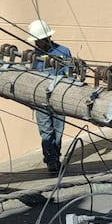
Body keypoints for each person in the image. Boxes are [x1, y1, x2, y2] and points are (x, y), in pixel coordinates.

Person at [27, 19, 72, 173]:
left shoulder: (63, 52)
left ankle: (55, 156)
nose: (36, 44)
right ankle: (51, 161)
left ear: (46, 39)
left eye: (38, 41)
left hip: (58, 97)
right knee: (46, 130)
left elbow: (69, 74)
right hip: (40, 99)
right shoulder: (32, 56)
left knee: (58, 129)